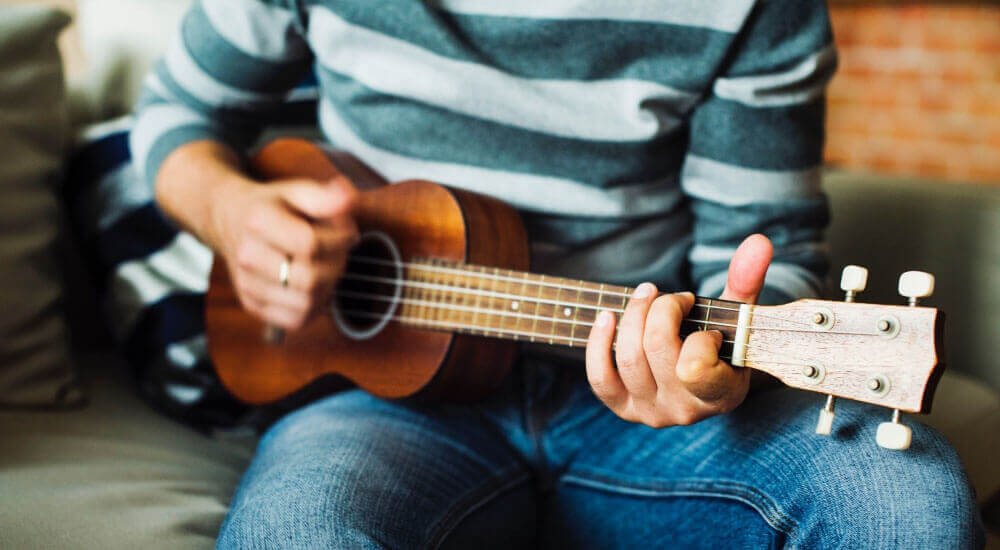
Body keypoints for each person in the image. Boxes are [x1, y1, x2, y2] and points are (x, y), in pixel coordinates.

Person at [132, 0, 984, 547]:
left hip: (649, 414)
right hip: (383, 403)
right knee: (297, 535)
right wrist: (230, 212)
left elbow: (771, 260)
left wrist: (719, 377)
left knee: (906, 502)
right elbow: (176, 114)